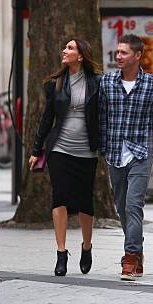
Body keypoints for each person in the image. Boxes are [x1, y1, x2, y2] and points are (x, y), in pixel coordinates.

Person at [99, 34, 153, 281]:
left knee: (133, 204)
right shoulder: (106, 83)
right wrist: (101, 149)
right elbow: (102, 118)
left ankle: (129, 257)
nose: (118, 56)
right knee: (122, 209)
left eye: (124, 52)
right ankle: (137, 251)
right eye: (117, 52)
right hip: (115, 152)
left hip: (141, 152)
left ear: (138, 56)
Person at [29, 38, 102, 276]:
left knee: (84, 203)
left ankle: (87, 246)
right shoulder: (56, 84)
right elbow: (46, 119)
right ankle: (61, 253)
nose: (64, 50)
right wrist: (36, 150)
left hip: (87, 151)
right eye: (65, 47)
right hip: (59, 149)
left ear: (81, 56)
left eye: (70, 48)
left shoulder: (97, 83)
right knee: (59, 197)